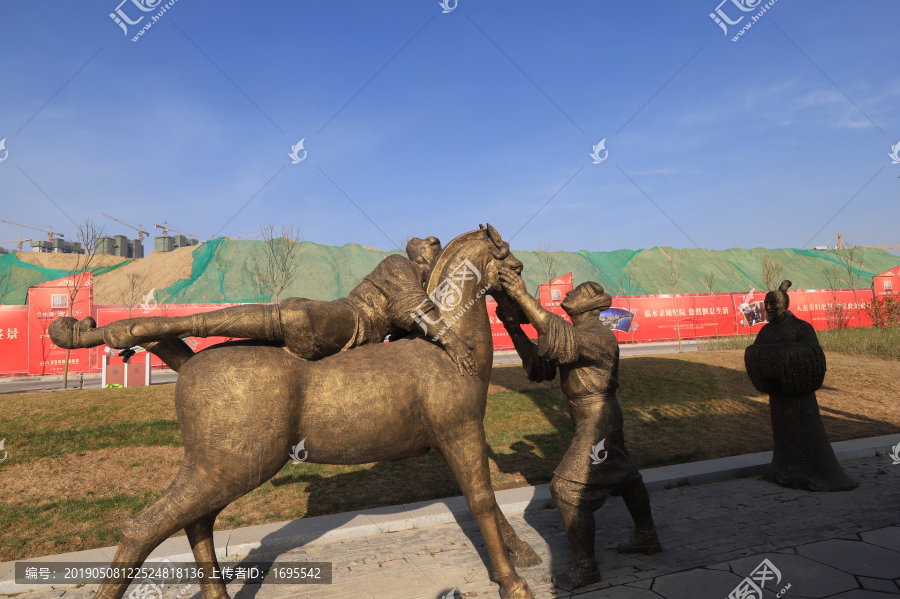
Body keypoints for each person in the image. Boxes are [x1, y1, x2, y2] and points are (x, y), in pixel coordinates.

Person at [50, 237, 476, 375]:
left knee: (208, 341)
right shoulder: (400, 264)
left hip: (333, 329)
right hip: (337, 321)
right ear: (419, 253)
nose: (431, 263)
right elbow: (412, 312)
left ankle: (121, 336)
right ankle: (94, 335)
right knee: (200, 322)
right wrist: (453, 341)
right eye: (430, 255)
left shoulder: (411, 275)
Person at [495, 267, 661, 591]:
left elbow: (559, 335)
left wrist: (521, 295)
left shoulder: (597, 335)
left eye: (576, 292)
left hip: (598, 418)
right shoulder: (576, 337)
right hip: (594, 417)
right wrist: (513, 326)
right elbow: (539, 364)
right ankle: (647, 537)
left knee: (566, 489)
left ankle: (585, 567)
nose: (568, 295)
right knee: (625, 474)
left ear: (590, 305)